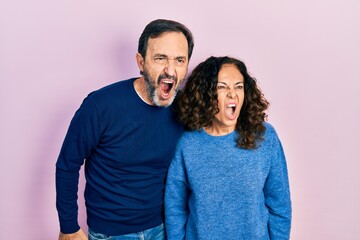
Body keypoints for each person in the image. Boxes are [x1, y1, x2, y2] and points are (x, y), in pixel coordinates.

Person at [56, 19, 194, 240]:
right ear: (141, 62)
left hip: (162, 229)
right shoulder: (101, 105)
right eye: (160, 58)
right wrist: (69, 226)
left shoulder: (185, 109)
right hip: (110, 233)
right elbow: (67, 164)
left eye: (180, 60)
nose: (170, 69)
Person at [165, 56, 292, 239]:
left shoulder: (265, 137)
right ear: (205, 94)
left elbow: (280, 205)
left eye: (238, 86)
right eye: (222, 87)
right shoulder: (188, 144)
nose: (232, 94)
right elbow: (175, 207)